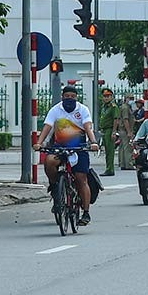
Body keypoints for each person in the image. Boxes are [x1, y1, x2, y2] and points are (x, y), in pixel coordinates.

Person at [35, 85, 99, 227]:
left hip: (79, 148)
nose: (69, 99)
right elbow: (47, 127)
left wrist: (93, 142)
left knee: (81, 179)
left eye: (72, 97)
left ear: (76, 98)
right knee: (49, 162)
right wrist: (39, 143)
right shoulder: (56, 110)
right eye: (67, 96)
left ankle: (86, 212)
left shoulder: (82, 110)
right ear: (62, 97)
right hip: (60, 148)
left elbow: (88, 127)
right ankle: (56, 188)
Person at [98, 88, 117, 177]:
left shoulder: (113, 107)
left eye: (108, 96)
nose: (106, 98)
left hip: (110, 130)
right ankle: (108, 168)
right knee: (106, 150)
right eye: (104, 96)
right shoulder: (103, 107)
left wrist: (114, 132)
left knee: (110, 151)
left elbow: (115, 119)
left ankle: (110, 169)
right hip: (104, 130)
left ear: (111, 97)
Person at [117, 94, 135, 171]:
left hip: (123, 130)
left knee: (122, 147)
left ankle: (123, 163)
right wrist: (129, 132)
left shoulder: (126, 107)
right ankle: (128, 164)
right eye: (130, 98)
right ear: (126, 98)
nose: (132, 100)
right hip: (125, 130)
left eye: (132, 98)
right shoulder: (125, 108)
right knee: (127, 147)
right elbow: (125, 120)